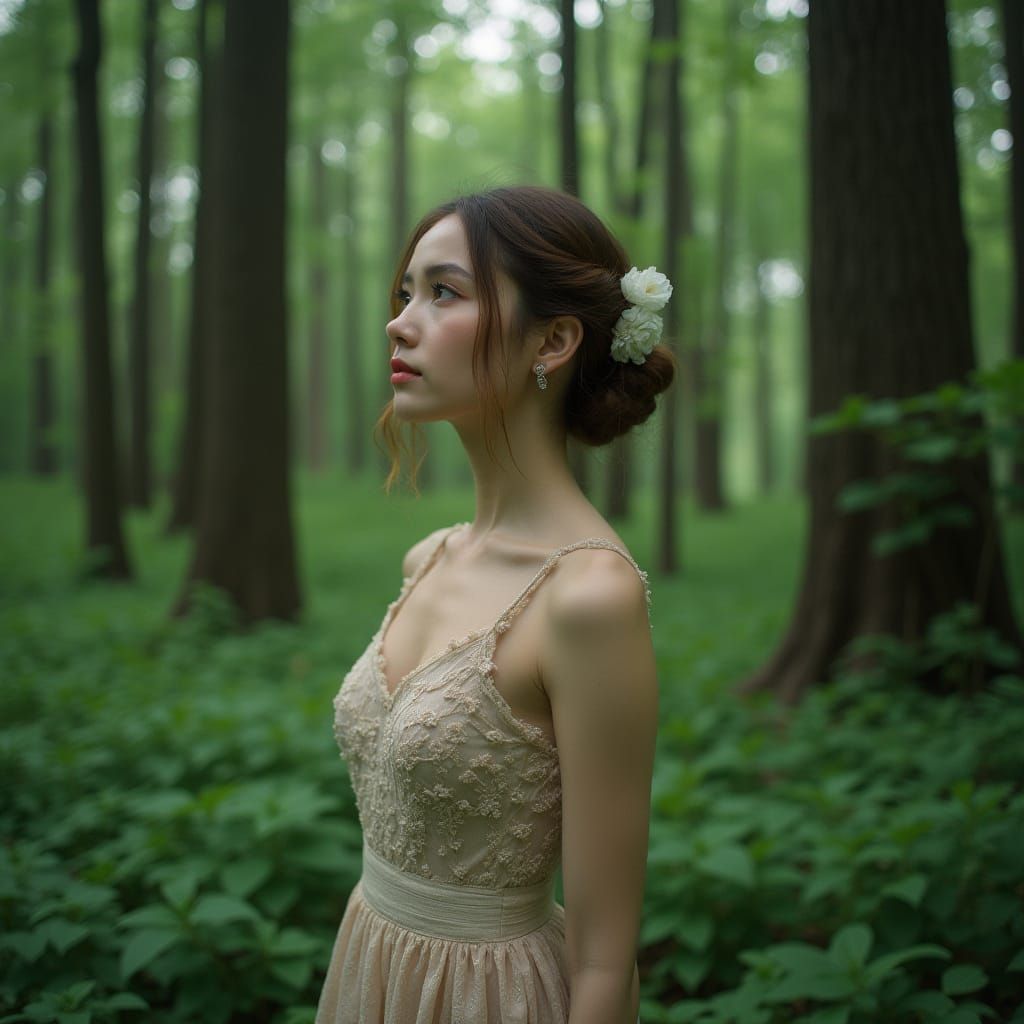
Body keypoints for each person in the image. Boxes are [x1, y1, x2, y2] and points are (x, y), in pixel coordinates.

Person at [316, 185, 674, 1024]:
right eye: (405, 293)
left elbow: (604, 959)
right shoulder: (428, 558)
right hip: (370, 970)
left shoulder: (588, 597)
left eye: (444, 292)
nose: (400, 323)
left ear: (552, 340)